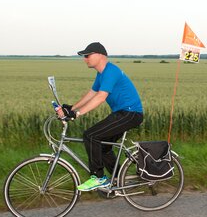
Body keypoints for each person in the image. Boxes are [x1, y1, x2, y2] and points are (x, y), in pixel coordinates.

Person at [56, 42, 143, 191]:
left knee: (91, 135)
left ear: (100, 55)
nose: (85, 59)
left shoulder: (111, 71)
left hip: (130, 113)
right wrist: (71, 108)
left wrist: (77, 114)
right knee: (103, 147)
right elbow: (92, 93)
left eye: (87, 55)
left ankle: (98, 177)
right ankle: (118, 180)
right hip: (122, 113)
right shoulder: (101, 74)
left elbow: (101, 97)